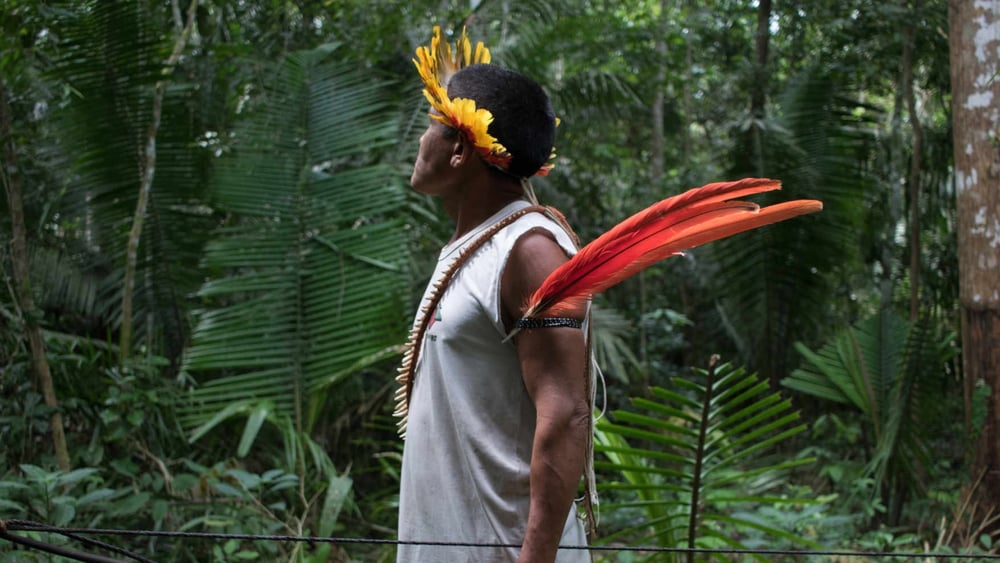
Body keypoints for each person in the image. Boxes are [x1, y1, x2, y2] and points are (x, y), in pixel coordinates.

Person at [395, 27, 593, 563]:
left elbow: (567, 414)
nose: (421, 141)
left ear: (460, 148)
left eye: (431, 127)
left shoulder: (529, 251)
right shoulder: (475, 245)